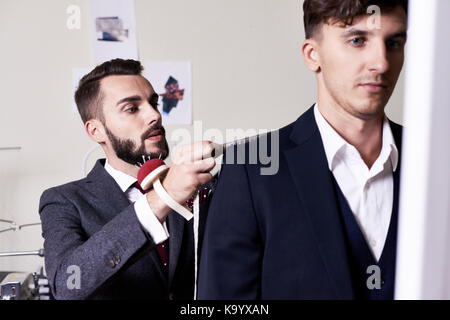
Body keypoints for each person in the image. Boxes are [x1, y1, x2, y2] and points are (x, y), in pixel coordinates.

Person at [198, 0, 408, 300]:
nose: (382, 62)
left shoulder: (438, 162)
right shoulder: (249, 168)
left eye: (394, 42)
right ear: (313, 55)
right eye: (358, 40)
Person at [39, 59, 216, 300]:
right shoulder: (64, 201)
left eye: (154, 103)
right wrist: (164, 197)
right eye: (132, 108)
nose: (155, 115)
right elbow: (67, 284)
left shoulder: (200, 186)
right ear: (95, 130)